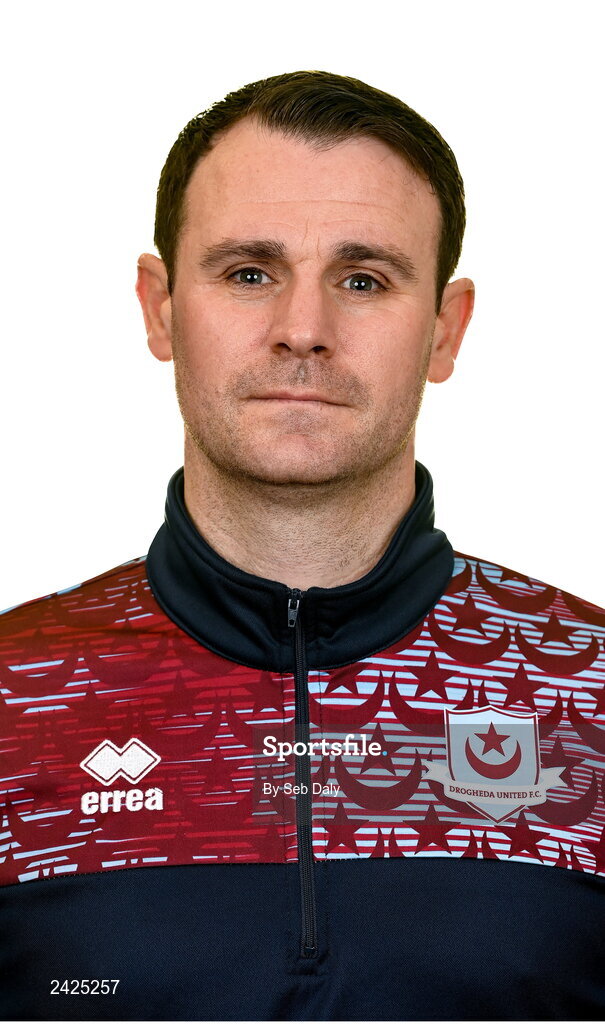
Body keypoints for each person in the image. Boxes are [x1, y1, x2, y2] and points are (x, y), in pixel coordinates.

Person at [1, 69, 604, 1022]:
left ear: (444, 331)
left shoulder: (590, 689)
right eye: (249, 272)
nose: (302, 332)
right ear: (159, 307)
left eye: (362, 279)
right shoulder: (15, 692)